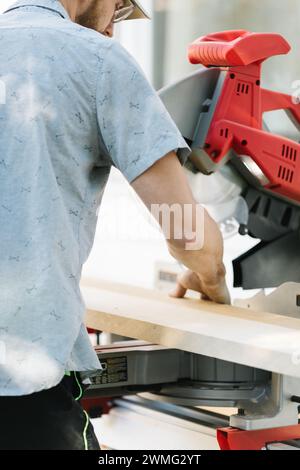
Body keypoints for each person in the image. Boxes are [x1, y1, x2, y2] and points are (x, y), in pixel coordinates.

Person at [0, 0, 230, 450]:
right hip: (22, 388)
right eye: (119, 12)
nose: (113, 30)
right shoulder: (98, 61)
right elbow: (184, 228)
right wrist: (211, 276)